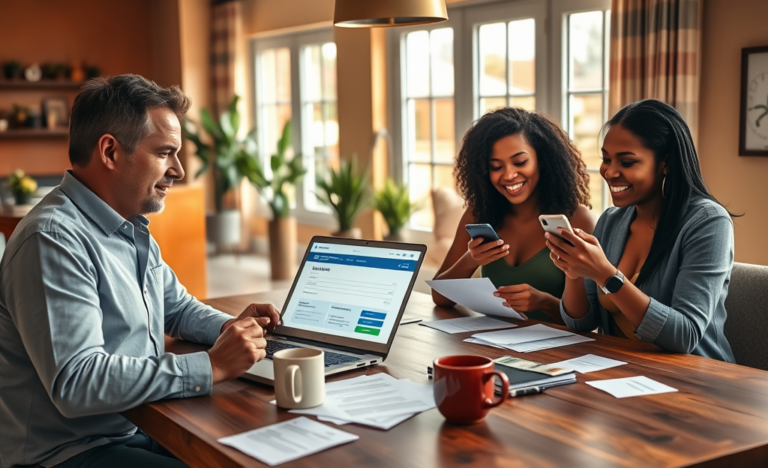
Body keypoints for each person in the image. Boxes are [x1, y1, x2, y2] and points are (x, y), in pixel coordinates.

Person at [0, 75, 278, 468]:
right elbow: (76, 381)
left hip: (132, 426)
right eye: (166, 152)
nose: (179, 170)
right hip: (67, 454)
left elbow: (178, 308)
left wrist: (231, 329)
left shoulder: (126, 225)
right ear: (110, 151)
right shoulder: (52, 239)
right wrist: (213, 365)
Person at [548, 99, 736, 361]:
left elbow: (686, 335)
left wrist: (606, 275)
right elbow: (581, 323)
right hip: (622, 371)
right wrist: (573, 272)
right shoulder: (611, 221)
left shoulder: (708, 222)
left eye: (627, 162)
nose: (610, 171)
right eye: (606, 159)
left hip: (695, 379)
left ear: (665, 163)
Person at [432, 107, 595, 323]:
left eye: (520, 162)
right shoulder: (478, 214)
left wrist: (544, 302)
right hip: (492, 345)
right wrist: (471, 260)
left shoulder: (577, 219)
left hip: (558, 350)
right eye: (496, 167)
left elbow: (589, 321)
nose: (508, 175)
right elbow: (440, 298)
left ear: (543, 160)